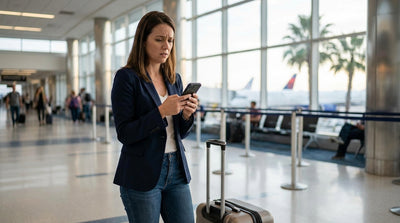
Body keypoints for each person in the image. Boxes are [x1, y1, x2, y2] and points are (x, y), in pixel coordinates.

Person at [111, 11, 198, 223]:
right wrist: (160, 111)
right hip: (141, 172)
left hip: (176, 169)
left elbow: (180, 133)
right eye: (159, 39)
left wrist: (187, 115)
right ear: (143, 41)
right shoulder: (127, 77)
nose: (166, 46)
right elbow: (125, 133)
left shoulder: (173, 78)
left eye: (170, 40)